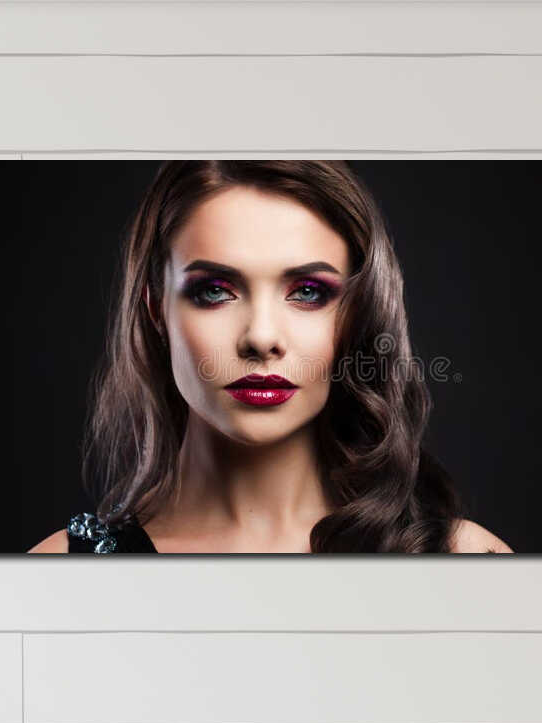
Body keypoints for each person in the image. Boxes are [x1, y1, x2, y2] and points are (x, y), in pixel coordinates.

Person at [32, 160, 508, 554]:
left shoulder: (461, 560)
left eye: (308, 291)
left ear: (358, 314)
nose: (261, 337)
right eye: (214, 290)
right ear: (156, 308)